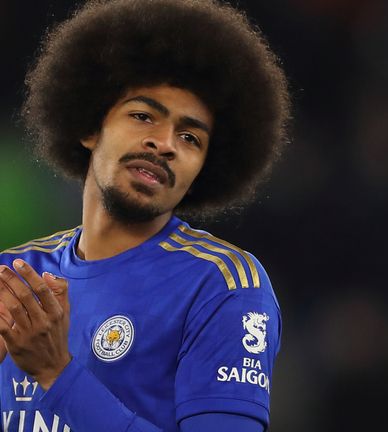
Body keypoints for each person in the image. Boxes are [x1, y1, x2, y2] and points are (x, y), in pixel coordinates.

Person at [0, 0, 290, 431]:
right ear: (88, 127)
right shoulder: (14, 274)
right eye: (143, 116)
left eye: (190, 137)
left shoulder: (223, 285)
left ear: (202, 173)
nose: (165, 143)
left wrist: (57, 374)